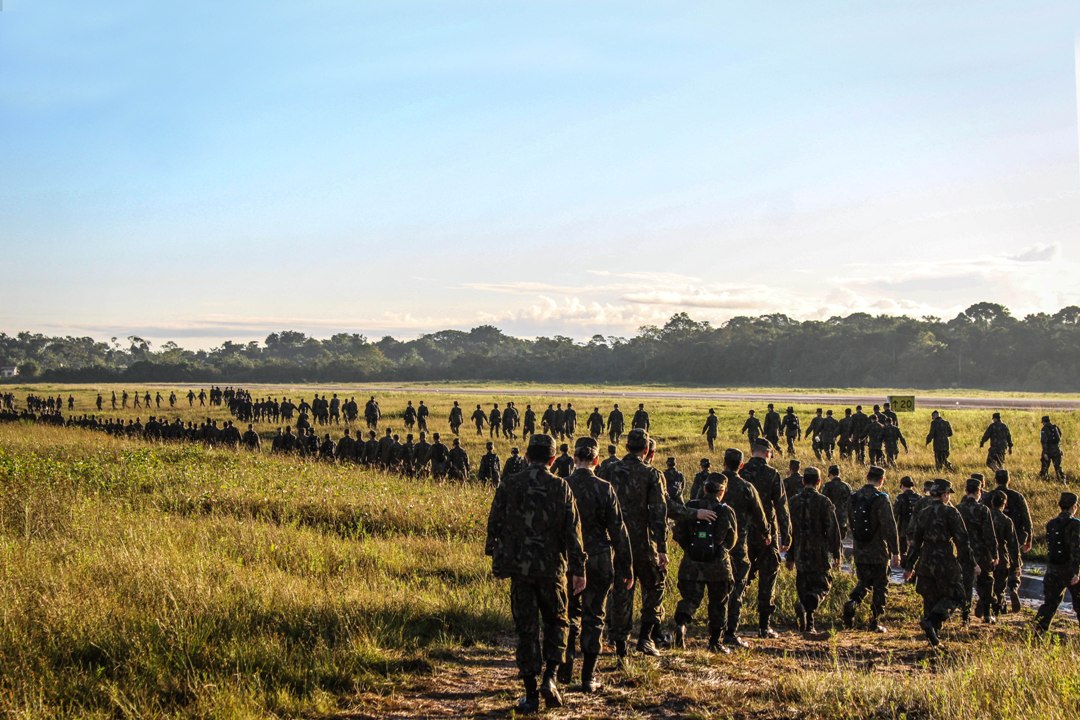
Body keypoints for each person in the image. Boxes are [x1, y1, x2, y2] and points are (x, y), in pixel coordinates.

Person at [485, 433, 586, 712]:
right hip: (552, 570)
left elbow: (494, 523)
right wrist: (579, 570)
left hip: (520, 569)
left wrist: (497, 554)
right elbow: (573, 532)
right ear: (553, 459)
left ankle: (530, 695)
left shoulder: (510, 484)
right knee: (557, 623)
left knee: (526, 630)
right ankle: (550, 679)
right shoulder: (561, 487)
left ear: (527, 456)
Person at [607, 429, 715, 659]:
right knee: (655, 586)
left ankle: (619, 645)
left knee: (620, 592)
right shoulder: (652, 474)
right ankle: (646, 638)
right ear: (646, 450)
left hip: (615, 542)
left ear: (627, 447)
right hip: (645, 543)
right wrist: (663, 547)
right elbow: (661, 512)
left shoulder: (608, 470)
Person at [558, 437, 633, 693]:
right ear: (597, 461)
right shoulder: (605, 488)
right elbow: (618, 530)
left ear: (574, 460)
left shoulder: (562, 486)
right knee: (595, 616)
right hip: (599, 559)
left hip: (568, 559)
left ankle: (564, 668)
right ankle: (588, 677)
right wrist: (626, 566)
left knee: (567, 615)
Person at [672, 473, 737, 653]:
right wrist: (719, 550)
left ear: (705, 488)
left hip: (691, 565)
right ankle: (715, 642)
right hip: (718, 566)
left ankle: (682, 625)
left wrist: (690, 549)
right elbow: (732, 540)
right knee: (718, 602)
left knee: (690, 599)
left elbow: (678, 533)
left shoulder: (691, 507)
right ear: (722, 491)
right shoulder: (725, 511)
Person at [903, 479, 972, 646]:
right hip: (945, 561)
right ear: (944, 494)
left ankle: (933, 638)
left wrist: (909, 566)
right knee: (957, 595)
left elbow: (916, 542)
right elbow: (962, 540)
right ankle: (932, 622)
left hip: (926, 561)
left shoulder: (923, 512)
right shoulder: (951, 512)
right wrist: (970, 563)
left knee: (930, 597)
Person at [739, 438, 791, 638]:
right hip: (766, 534)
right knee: (768, 578)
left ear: (752, 451)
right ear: (769, 453)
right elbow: (781, 507)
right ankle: (763, 625)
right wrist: (786, 535)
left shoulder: (741, 471)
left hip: (742, 534)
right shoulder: (772, 474)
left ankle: (730, 621)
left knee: (741, 577)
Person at [718, 448, 769, 648]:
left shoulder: (713, 483)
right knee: (737, 587)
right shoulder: (746, 487)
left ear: (724, 462)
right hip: (738, 545)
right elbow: (760, 515)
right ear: (741, 465)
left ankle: (713, 629)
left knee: (717, 589)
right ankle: (730, 631)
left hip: (715, 546)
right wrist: (766, 533)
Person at [842, 466, 900, 633]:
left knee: (864, 582)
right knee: (881, 585)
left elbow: (851, 522)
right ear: (881, 480)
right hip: (878, 549)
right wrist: (895, 551)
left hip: (860, 548)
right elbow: (889, 525)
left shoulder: (854, 497)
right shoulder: (882, 498)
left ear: (867, 477)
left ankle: (852, 602)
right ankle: (875, 621)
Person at [787, 466, 843, 634]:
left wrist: (789, 556)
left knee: (803, 586)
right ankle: (806, 607)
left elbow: (790, 532)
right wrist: (836, 553)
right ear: (819, 482)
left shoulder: (793, 501)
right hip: (819, 551)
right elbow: (833, 530)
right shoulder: (824, 501)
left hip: (799, 551)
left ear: (803, 481)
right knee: (823, 585)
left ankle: (808, 623)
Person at [982, 469, 1032, 613]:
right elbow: (1027, 520)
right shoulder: (1018, 496)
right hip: (1014, 537)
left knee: (994, 571)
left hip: (992, 541)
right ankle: (1013, 587)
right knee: (1014, 566)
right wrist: (1029, 538)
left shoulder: (989, 496)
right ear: (1008, 480)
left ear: (995, 480)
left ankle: (993, 599)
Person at [1035, 492, 1080, 634]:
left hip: (1053, 569)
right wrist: (1076, 572)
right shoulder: (1075, 525)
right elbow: (1076, 550)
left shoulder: (1051, 524)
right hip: (1069, 569)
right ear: (1074, 506)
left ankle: (1038, 630)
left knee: (1050, 603)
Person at [956, 476, 998, 625]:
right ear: (979, 491)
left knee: (966, 584)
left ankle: (965, 617)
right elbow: (989, 535)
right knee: (986, 582)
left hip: (964, 552)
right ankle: (987, 614)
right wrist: (995, 554)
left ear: (966, 491)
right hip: (982, 552)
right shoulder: (983, 509)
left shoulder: (958, 508)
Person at [988, 491, 1019, 623]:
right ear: (1004, 504)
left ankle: (987, 603)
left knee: (986, 584)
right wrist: (1016, 563)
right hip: (1002, 556)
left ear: (991, 502)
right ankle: (998, 610)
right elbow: (1013, 544)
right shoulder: (1006, 520)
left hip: (986, 556)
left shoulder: (985, 516)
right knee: (1000, 587)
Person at [821, 465, 852, 540]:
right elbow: (850, 503)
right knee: (840, 540)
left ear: (830, 474)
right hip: (843, 519)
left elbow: (823, 502)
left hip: (830, 518)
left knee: (830, 541)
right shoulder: (847, 486)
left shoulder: (827, 486)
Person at [893, 476, 919, 562]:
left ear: (902, 485)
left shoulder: (900, 498)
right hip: (916, 530)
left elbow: (894, 515)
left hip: (903, 530)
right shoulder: (919, 498)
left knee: (903, 552)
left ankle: (905, 569)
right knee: (915, 553)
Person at [1040, 415, 1066, 483]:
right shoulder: (1056, 427)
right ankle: (1062, 481)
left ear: (1044, 422)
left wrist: (1045, 453)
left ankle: (1043, 482)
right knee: (1058, 468)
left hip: (1048, 451)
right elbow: (1059, 437)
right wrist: (1059, 448)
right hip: (1057, 451)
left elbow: (1044, 441)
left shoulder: (1044, 429)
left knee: (1044, 469)